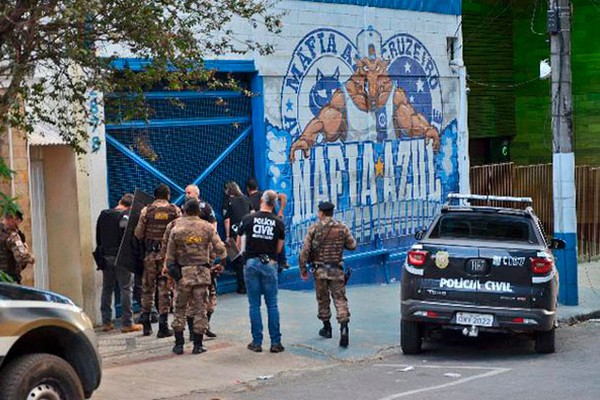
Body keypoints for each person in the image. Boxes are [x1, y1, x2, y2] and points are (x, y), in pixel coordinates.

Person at [163, 198, 227, 355]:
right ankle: (198, 345)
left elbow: (170, 258)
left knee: (179, 309)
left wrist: (172, 274)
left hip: (183, 275)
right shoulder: (207, 228)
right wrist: (222, 263)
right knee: (200, 310)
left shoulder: (176, 229)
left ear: (184, 210)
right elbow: (221, 249)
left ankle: (179, 344)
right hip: (202, 275)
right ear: (198, 211)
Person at [299, 201, 357, 348]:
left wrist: (303, 270)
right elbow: (352, 245)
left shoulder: (314, 228)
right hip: (336, 269)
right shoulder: (342, 227)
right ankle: (344, 328)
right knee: (340, 299)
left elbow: (304, 251)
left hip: (320, 270)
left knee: (323, 299)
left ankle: (327, 328)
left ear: (321, 212)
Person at [236, 190, 286, 353]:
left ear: (262, 201)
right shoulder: (278, 223)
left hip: (251, 263)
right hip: (269, 263)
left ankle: (257, 342)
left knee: (254, 305)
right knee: (272, 304)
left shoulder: (248, 219)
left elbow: (238, 244)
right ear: (274, 204)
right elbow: (279, 248)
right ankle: (275, 342)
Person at [134, 184, 181, 337]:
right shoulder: (174, 210)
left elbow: (138, 233)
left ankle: (146, 324)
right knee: (164, 290)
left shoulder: (146, 210)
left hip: (149, 255)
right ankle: (163, 326)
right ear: (167, 195)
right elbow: (178, 233)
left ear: (155, 195)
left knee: (148, 288)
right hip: (166, 256)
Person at [95, 194, 143, 333]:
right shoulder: (126, 216)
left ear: (119, 202)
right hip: (121, 257)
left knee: (107, 288)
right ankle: (127, 323)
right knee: (126, 288)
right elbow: (130, 238)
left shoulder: (103, 214)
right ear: (130, 207)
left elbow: (98, 236)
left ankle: (106, 322)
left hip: (106, 256)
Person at [223, 181, 252, 294]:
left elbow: (227, 220)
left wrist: (227, 236)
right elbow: (252, 213)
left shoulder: (228, 202)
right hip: (247, 232)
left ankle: (242, 286)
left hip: (235, 233)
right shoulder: (246, 199)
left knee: (237, 260)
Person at [0, 209, 34, 284]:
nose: (18, 223)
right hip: (9, 279)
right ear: (12, 219)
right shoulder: (12, 236)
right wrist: (31, 257)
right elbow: (21, 258)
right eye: (18, 220)